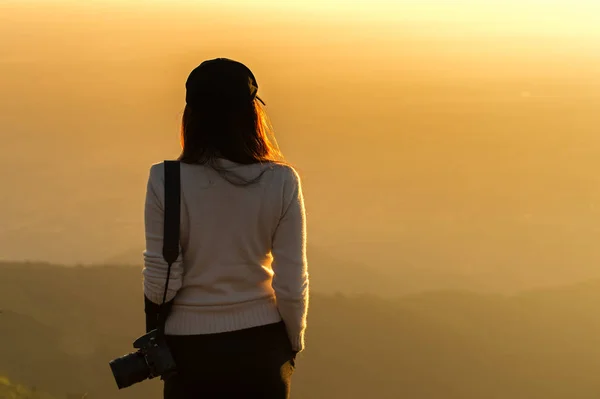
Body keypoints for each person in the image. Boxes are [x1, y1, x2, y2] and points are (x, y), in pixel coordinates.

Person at [142, 58, 309, 399]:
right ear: (252, 115)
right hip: (263, 348)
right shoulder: (281, 181)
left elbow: (160, 281)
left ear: (192, 116)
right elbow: (291, 282)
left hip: (189, 354)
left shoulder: (166, 179)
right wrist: (292, 342)